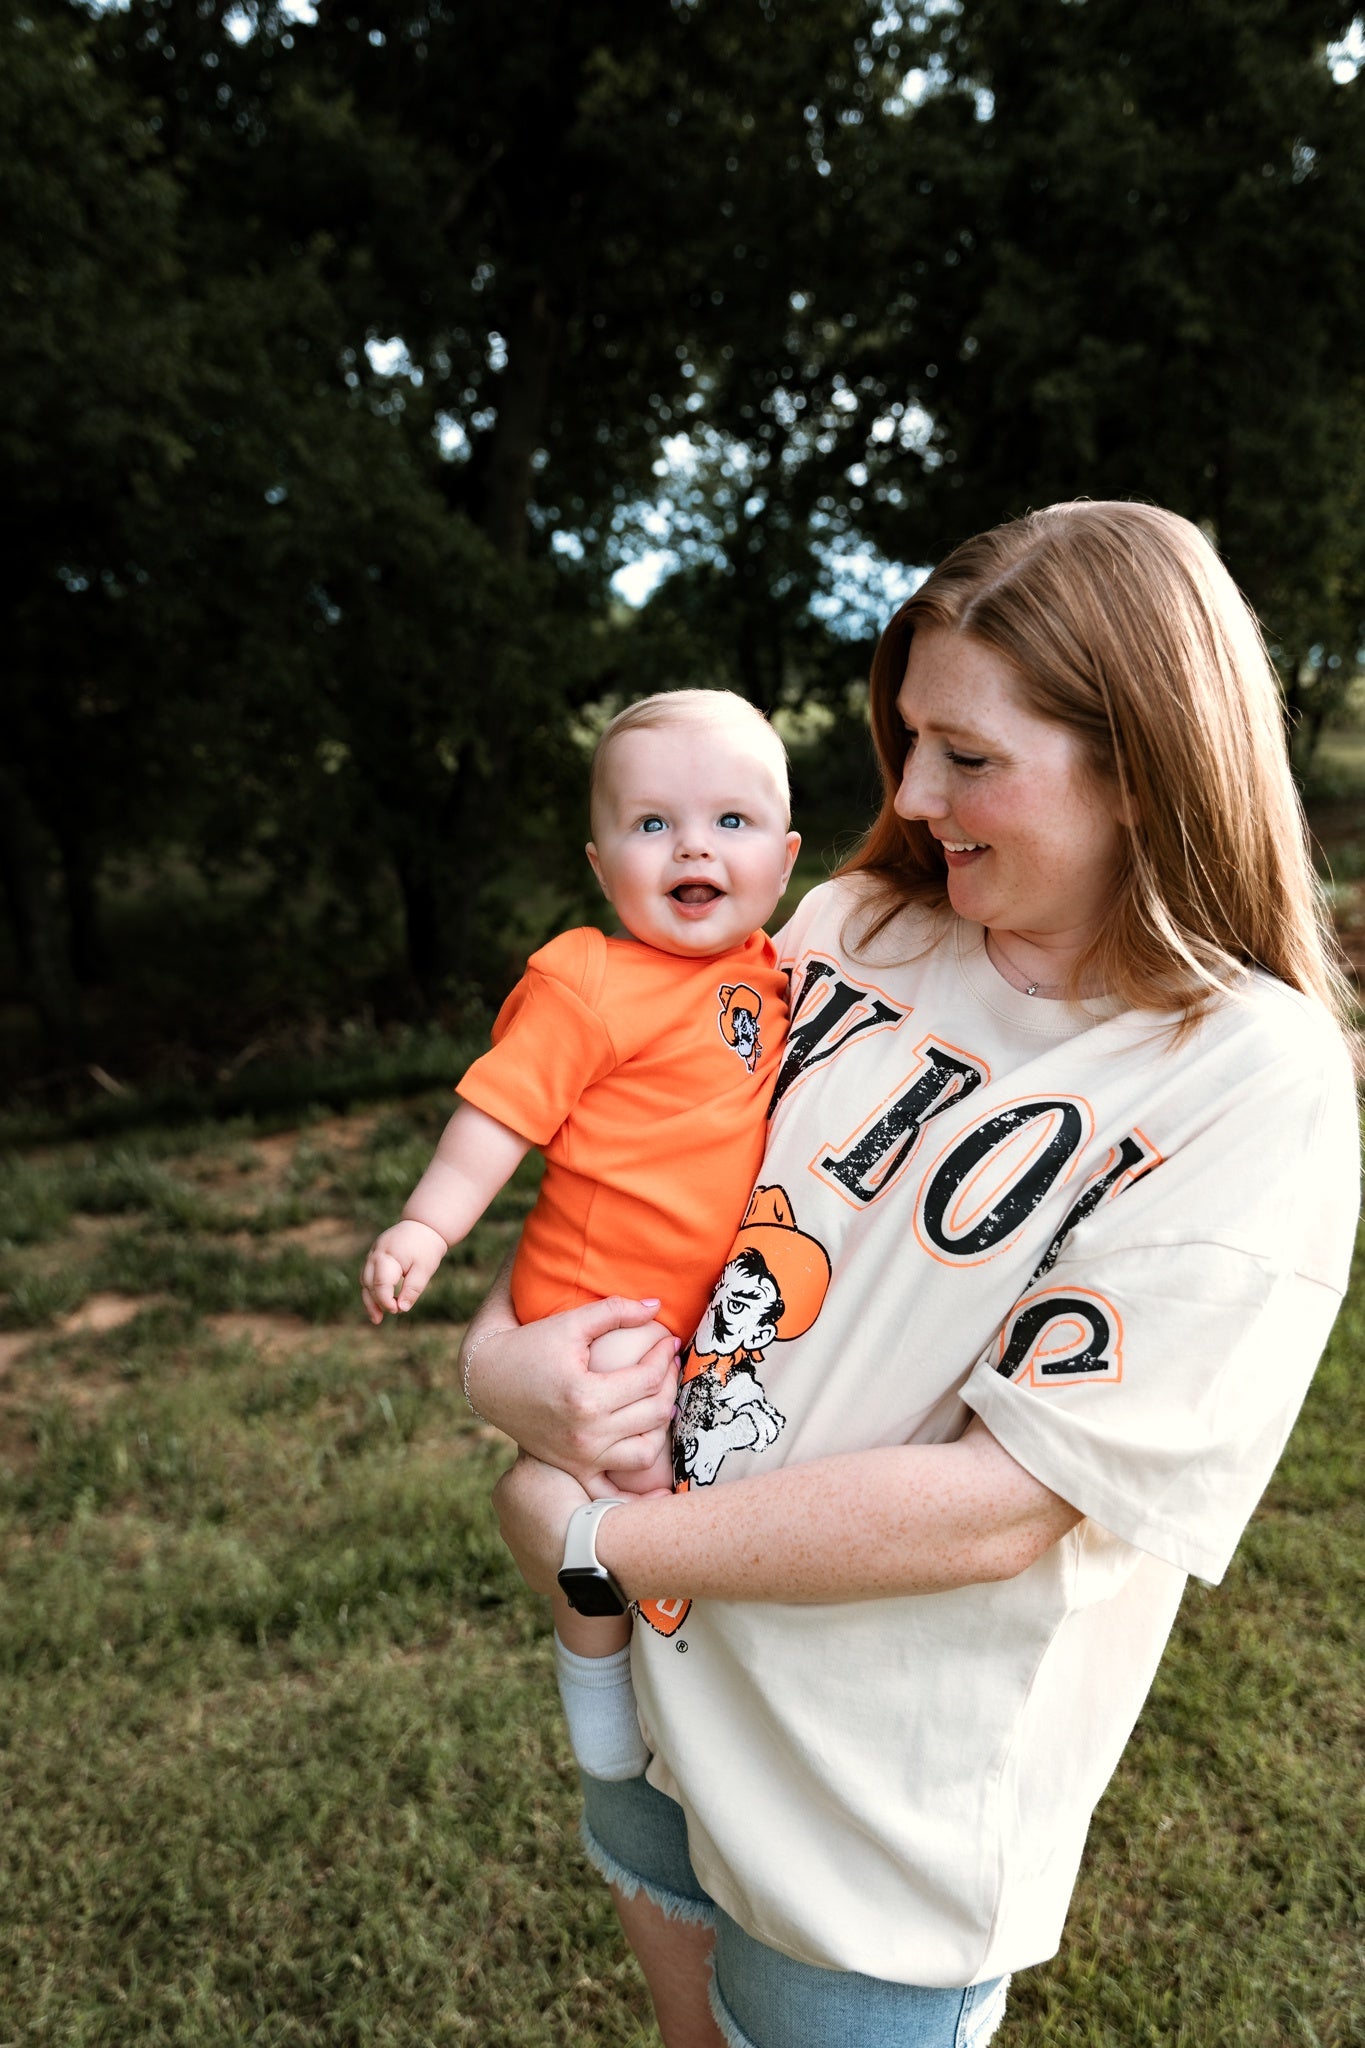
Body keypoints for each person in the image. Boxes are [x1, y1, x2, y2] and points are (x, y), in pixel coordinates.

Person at [472, 501, 1360, 2048]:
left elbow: (1007, 1501)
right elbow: (611, 1179)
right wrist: (496, 1367)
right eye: (904, 740)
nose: (907, 793)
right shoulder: (849, 923)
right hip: (667, 1711)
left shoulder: (1246, 1076)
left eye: (965, 755)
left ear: (1141, 766)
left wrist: (605, 1539)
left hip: (875, 1828)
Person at [361, 688, 800, 1782]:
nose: (693, 843)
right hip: (602, 1303)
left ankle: (663, 1668)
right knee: (633, 1479)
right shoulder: (587, 979)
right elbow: (500, 1113)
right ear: (603, 865)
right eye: (653, 824)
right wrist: (428, 1220)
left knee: (676, 1488)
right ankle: (598, 1672)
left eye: (730, 823)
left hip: (706, 1305)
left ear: (784, 862)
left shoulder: (773, 974)